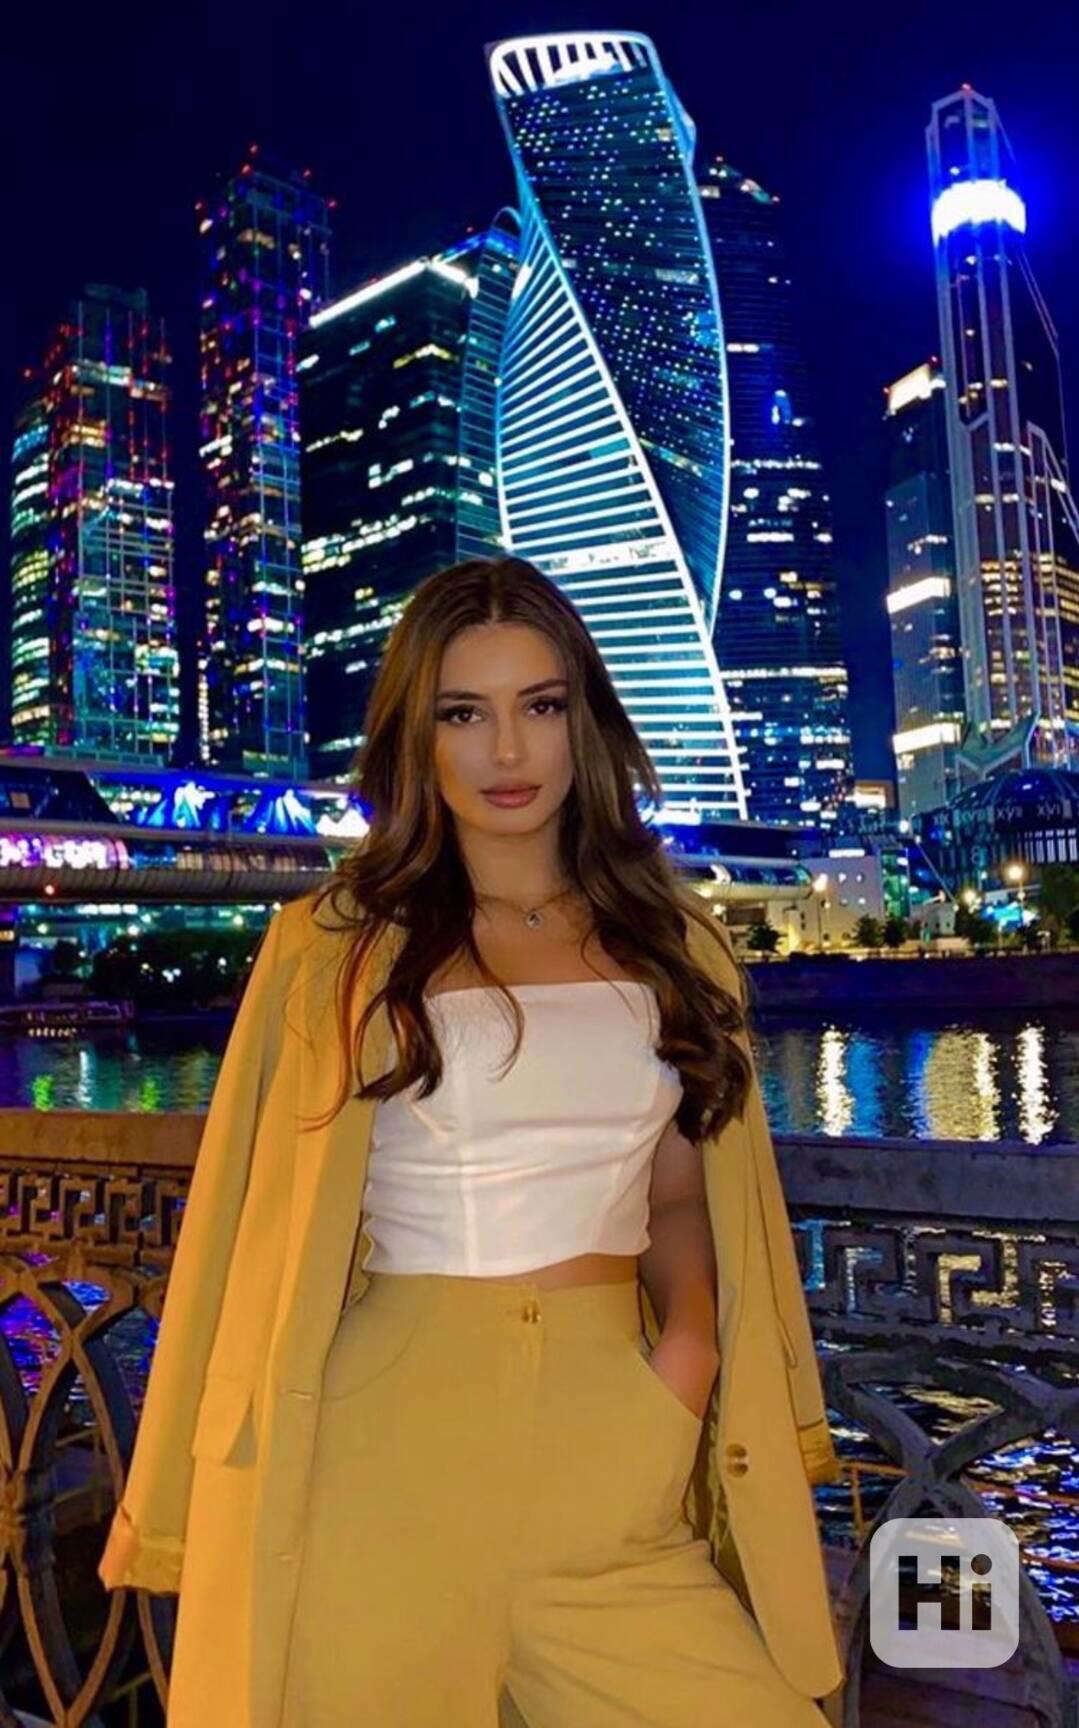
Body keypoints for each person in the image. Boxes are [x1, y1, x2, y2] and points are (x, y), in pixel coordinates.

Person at [98, 555, 845, 1726]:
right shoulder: (332, 947)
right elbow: (247, 1226)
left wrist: (686, 1357)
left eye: (538, 705)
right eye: (463, 713)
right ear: (419, 738)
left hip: (610, 1461)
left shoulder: (676, 942)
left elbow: (680, 1193)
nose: (506, 750)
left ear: (581, 721)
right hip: (381, 1462)